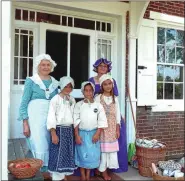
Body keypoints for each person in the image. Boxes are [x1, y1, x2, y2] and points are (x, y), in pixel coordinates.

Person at [18, 54, 59, 172]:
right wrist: (25, 123)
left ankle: (49, 169)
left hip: (51, 116)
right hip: (35, 116)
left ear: (51, 67)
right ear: (38, 66)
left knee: (50, 141)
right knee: (38, 141)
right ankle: (40, 170)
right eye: (43, 65)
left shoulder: (55, 83)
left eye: (48, 65)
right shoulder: (31, 81)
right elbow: (24, 103)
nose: (45, 67)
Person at [89, 58, 128, 173]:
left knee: (113, 143)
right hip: (98, 116)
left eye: (105, 66)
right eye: (100, 66)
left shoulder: (112, 83)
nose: (102, 68)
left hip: (111, 117)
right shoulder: (92, 80)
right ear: (96, 68)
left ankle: (110, 167)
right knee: (97, 144)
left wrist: (119, 116)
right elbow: (89, 96)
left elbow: (114, 100)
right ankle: (97, 168)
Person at [74, 81, 108, 181]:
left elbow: (102, 121)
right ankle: (82, 176)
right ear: (82, 92)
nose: (88, 93)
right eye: (86, 90)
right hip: (82, 134)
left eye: (90, 90)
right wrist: (77, 135)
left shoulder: (98, 106)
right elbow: (76, 121)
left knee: (91, 156)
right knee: (82, 155)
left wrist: (97, 134)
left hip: (93, 134)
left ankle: (88, 175)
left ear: (93, 92)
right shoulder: (79, 105)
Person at [47, 76, 76, 181]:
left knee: (66, 154)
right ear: (61, 86)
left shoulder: (71, 99)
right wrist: (53, 133)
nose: (68, 88)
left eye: (70, 87)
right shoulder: (55, 99)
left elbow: (74, 115)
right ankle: (56, 177)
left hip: (69, 130)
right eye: (66, 86)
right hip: (59, 130)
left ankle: (63, 176)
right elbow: (51, 116)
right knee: (57, 154)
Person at [95, 74, 121, 181]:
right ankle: (103, 172)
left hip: (112, 128)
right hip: (101, 128)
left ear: (112, 84)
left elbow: (118, 114)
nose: (108, 86)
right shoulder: (98, 98)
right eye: (105, 84)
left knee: (110, 151)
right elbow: (94, 112)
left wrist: (118, 128)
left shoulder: (115, 99)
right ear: (102, 86)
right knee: (103, 151)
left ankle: (103, 169)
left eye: (109, 83)